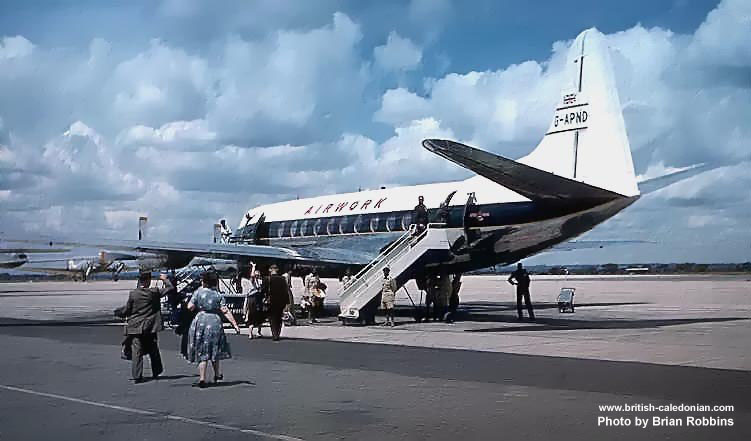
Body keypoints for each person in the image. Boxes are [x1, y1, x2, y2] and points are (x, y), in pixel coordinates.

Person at [114, 271, 173, 384]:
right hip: (150, 326)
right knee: (153, 350)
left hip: (136, 327)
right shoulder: (154, 292)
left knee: (137, 352)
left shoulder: (133, 294)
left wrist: (118, 312)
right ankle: (156, 371)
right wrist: (164, 279)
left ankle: (137, 376)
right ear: (148, 281)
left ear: (140, 281)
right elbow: (170, 288)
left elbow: (127, 309)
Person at [186, 270, 241, 388]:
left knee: (202, 350)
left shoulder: (198, 292)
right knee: (214, 348)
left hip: (201, 320)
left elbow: (190, 307)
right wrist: (235, 324)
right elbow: (225, 310)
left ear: (204, 281)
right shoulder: (217, 295)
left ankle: (202, 378)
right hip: (214, 321)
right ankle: (217, 374)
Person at [264, 265, 290, 341]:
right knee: (279, 317)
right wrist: (287, 302)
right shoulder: (282, 279)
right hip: (281, 301)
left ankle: (274, 333)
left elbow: (264, 290)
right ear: (277, 270)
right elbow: (285, 291)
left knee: (272, 318)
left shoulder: (267, 279)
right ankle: (278, 333)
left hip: (271, 301)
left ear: (270, 270)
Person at [242, 268, 265, 339]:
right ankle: (250, 333)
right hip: (252, 298)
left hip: (259, 299)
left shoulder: (260, 281)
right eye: (256, 275)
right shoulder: (252, 281)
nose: (257, 276)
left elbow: (262, 290)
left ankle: (259, 332)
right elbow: (252, 276)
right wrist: (253, 267)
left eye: (258, 275)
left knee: (260, 316)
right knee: (252, 316)